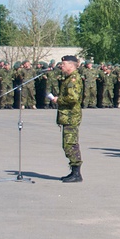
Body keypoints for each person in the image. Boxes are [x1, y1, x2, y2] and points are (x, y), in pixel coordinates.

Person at [49, 55, 83, 183]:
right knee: (67, 144)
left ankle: (76, 173)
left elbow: (73, 98)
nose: (61, 66)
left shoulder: (74, 79)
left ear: (70, 65)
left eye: (63, 64)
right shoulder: (69, 78)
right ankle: (74, 171)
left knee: (70, 144)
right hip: (67, 116)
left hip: (71, 116)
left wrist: (58, 100)